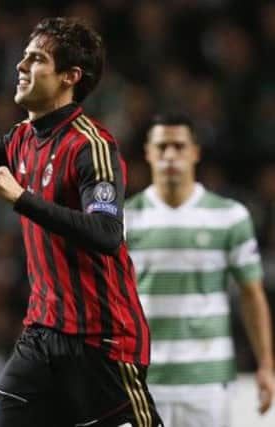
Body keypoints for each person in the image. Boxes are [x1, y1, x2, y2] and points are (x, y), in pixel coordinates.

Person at [0, 17, 162, 427]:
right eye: (23, 57)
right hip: (42, 334)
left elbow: (106, 234)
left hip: (102, 341)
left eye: (36, 59)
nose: (20, 66)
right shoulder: (19, 139)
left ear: (70, 76)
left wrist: (22, 198)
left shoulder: (91, 145)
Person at [125, 112, 275, 426]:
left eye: (179, 146)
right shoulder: (125, 221)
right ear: (148, 153)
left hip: (208, 382)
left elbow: (252, 294)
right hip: (143, 381)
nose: (170, 155)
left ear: (195, 152)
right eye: (162, 146)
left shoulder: (230, 217)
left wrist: (266, 365)